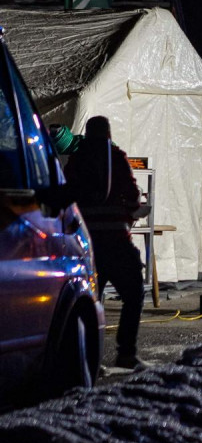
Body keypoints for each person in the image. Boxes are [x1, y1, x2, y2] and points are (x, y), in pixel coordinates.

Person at [64, 116, 146, 369]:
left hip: (86, 244)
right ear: (109, 134)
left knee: (89, 301)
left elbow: (67, 196)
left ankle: (89, 359)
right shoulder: (116, 157)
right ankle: (126, 353)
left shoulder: (75, 161)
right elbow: (132, 197)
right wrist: (135, 209)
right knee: (133, 294)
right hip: (116, 241)